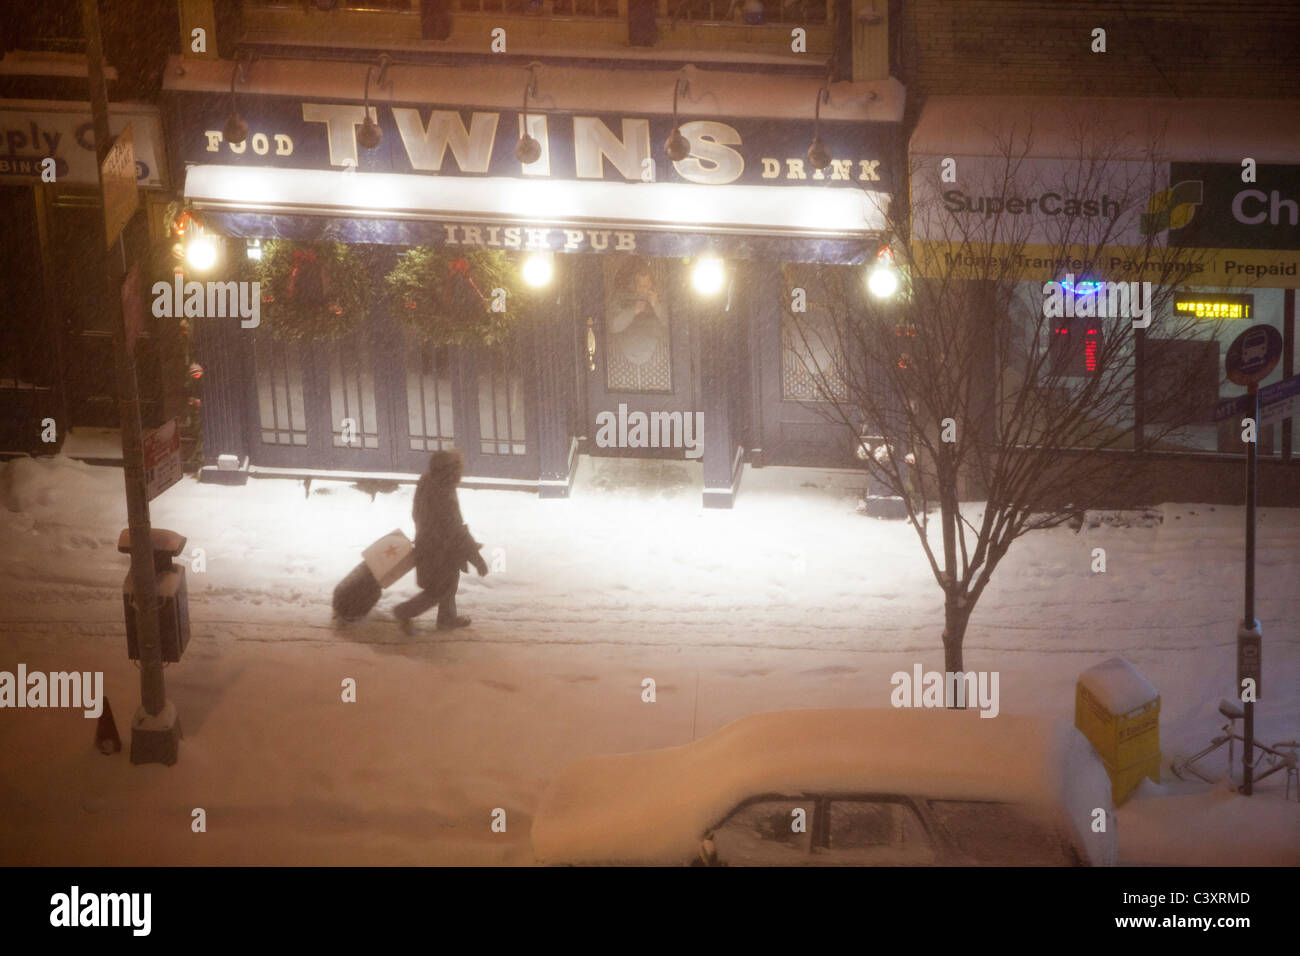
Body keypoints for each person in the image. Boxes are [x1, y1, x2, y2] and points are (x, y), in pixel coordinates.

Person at [393, 449, 488, 632]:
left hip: (430, 545)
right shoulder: (444, 491)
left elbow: (419, 515)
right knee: (437, 591)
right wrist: (476, 558)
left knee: (448, 585)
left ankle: (447, 619)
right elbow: (455, 528)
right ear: (449, 469)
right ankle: (403, 612)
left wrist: (428, 532)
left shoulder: (428, 481)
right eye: (458, 467)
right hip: (440, 551)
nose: (461, 471)